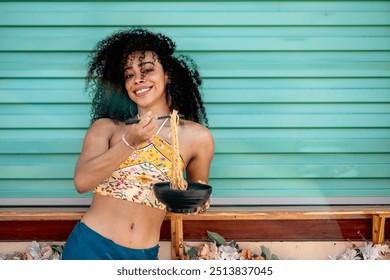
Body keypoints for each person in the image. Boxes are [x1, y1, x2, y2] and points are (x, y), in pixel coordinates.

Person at [61, 27, 215, 260]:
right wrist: (130, 142)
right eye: (129, 74)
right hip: (89, 247)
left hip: (143, 255)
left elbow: (196, 189)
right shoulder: (107, 128)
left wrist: (198, 202)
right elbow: (82, 182)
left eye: (147, 70)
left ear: (167, 75)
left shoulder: (197, 137)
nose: (138, 79)